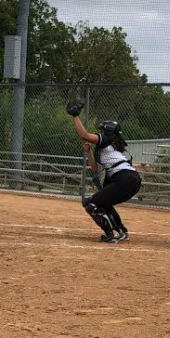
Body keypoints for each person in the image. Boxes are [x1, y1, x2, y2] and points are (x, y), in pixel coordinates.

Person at [66, 101, 142, 243]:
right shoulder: (111, 147)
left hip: (124, 179)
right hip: (132, 179)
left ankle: (110, 234)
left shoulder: (107, 140)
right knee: (103, 203)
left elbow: (84, 135)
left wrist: (75, 116)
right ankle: (121, 231)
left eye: (102, 131)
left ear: (107, 132)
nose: (100, 133)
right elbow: (95, 169)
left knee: (91, 204)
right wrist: (88, 151)